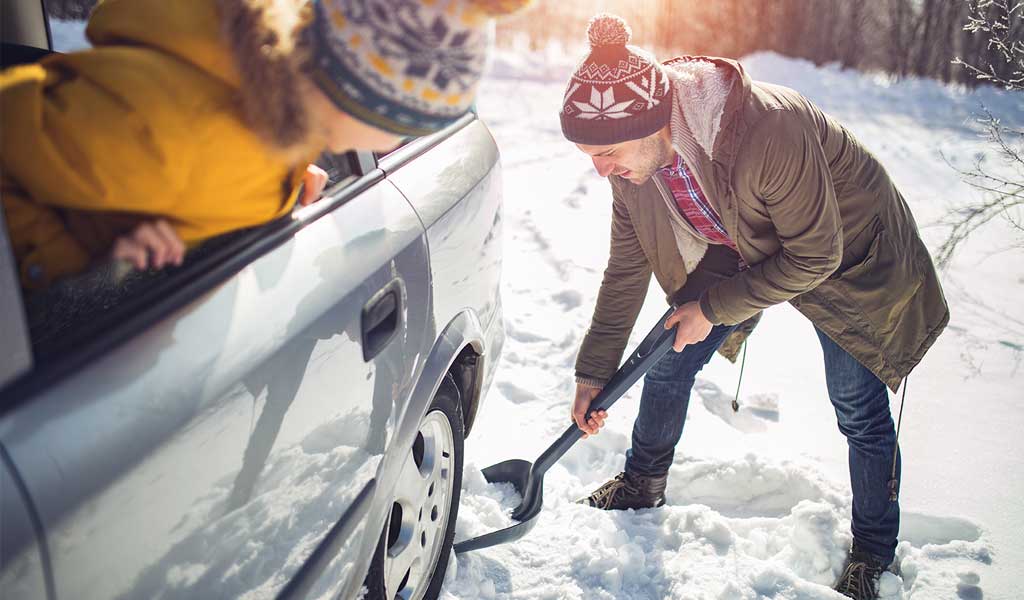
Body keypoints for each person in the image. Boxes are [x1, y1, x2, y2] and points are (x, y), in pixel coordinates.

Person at [561, 14, 949, 600]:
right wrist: (594, 372)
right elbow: (625, 268)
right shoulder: (634, 168)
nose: (601, 169)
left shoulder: (769, 131)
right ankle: (642, 483)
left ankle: (873, 553)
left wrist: (712, 309)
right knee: (670, 351)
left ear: (655, 122)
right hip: (745, 240)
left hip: (846, 257)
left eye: (607, 151)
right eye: (590, 155)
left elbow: (815, 255)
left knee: (856, 408)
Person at [0, 0, 527, 291]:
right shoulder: (168, 132)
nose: (402, 141)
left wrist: (286, 181)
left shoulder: (269, 108)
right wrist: (69, 265)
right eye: (407, 124)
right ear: (355, 95)